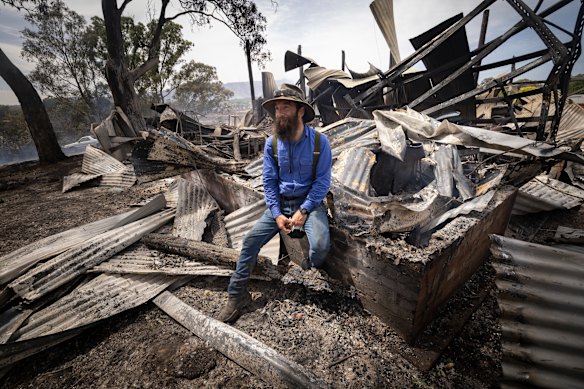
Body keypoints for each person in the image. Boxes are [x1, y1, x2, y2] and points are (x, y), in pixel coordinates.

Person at [217, 84, 333, 323]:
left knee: (321, 245)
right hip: (280, 204)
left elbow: (322, 183)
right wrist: (277, 213)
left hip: (309, 203)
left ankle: (310, 269)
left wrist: (304, 211)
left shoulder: (321, 144)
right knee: (250, 241)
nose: (279, 113)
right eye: (277, 108)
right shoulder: (271, 144)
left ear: (301, 111)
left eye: (285, 107)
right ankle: (237, 296)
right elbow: (268, 182)